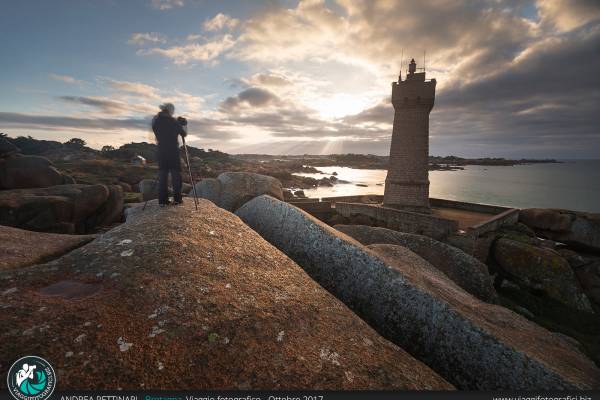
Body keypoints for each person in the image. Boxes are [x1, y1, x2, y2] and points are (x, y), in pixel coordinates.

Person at [151, 103, 187, 206]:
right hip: (173, 152)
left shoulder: (156, 120)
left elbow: (156, 129)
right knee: (176, 175)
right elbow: (183, 134)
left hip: (161, 151)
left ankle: (162, 201)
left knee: (162, 176)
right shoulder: (173, 122)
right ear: (170, 111)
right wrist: (183, 124)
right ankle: (177, 199)